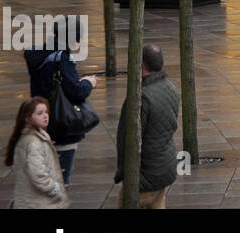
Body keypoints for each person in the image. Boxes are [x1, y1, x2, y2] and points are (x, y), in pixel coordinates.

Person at [23, 21, 98, 186]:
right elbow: (75, 91)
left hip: (41, 122)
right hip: (61, 125)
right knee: (61, 180)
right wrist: (88, 82)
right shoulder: (62, 58)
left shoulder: (39, 53)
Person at [114, 44, 181, 209]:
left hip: (144, 174)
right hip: (165, 168)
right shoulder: (172, 89)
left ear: (141, 64)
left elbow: (127, 139)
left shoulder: (140, 98)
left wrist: (123, 173)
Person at [5, 97, 69, 209]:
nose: (45, 116)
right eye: (39, 113)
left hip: (32, 201)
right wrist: (55, 190)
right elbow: (39, 175)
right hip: (40, 203)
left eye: (46, 112)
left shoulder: (32, 137)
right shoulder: (34, 142)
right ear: (27, 118)